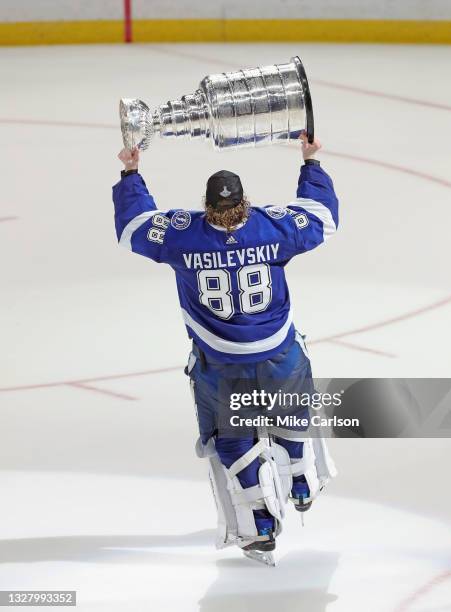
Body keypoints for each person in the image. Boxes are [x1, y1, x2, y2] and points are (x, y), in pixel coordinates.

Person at [112, 133, 339, 562]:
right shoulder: (270, 226)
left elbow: (133, 228)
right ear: (243, 201)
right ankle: (301, 478)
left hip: (222, 363)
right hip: (278, 354)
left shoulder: (185, 236)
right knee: (291, 410)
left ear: (208, 204)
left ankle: (261, 524)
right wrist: (310, 164)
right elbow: (322, 217)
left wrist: (131, 174)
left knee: (233, 438)